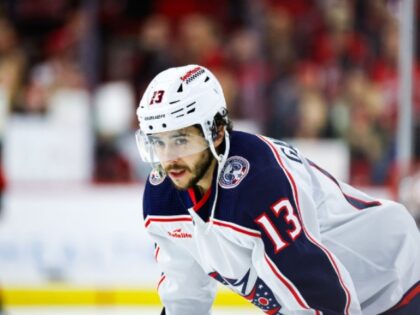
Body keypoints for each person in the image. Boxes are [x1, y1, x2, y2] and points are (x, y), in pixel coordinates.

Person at [135, 65, 420, 315]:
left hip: (394, 278)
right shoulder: (163, 197)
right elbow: (185, 296)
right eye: (158, 142)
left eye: (181, 140)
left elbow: (318, 294)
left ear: (217, 131)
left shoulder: (258, 183)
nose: (169, 158)